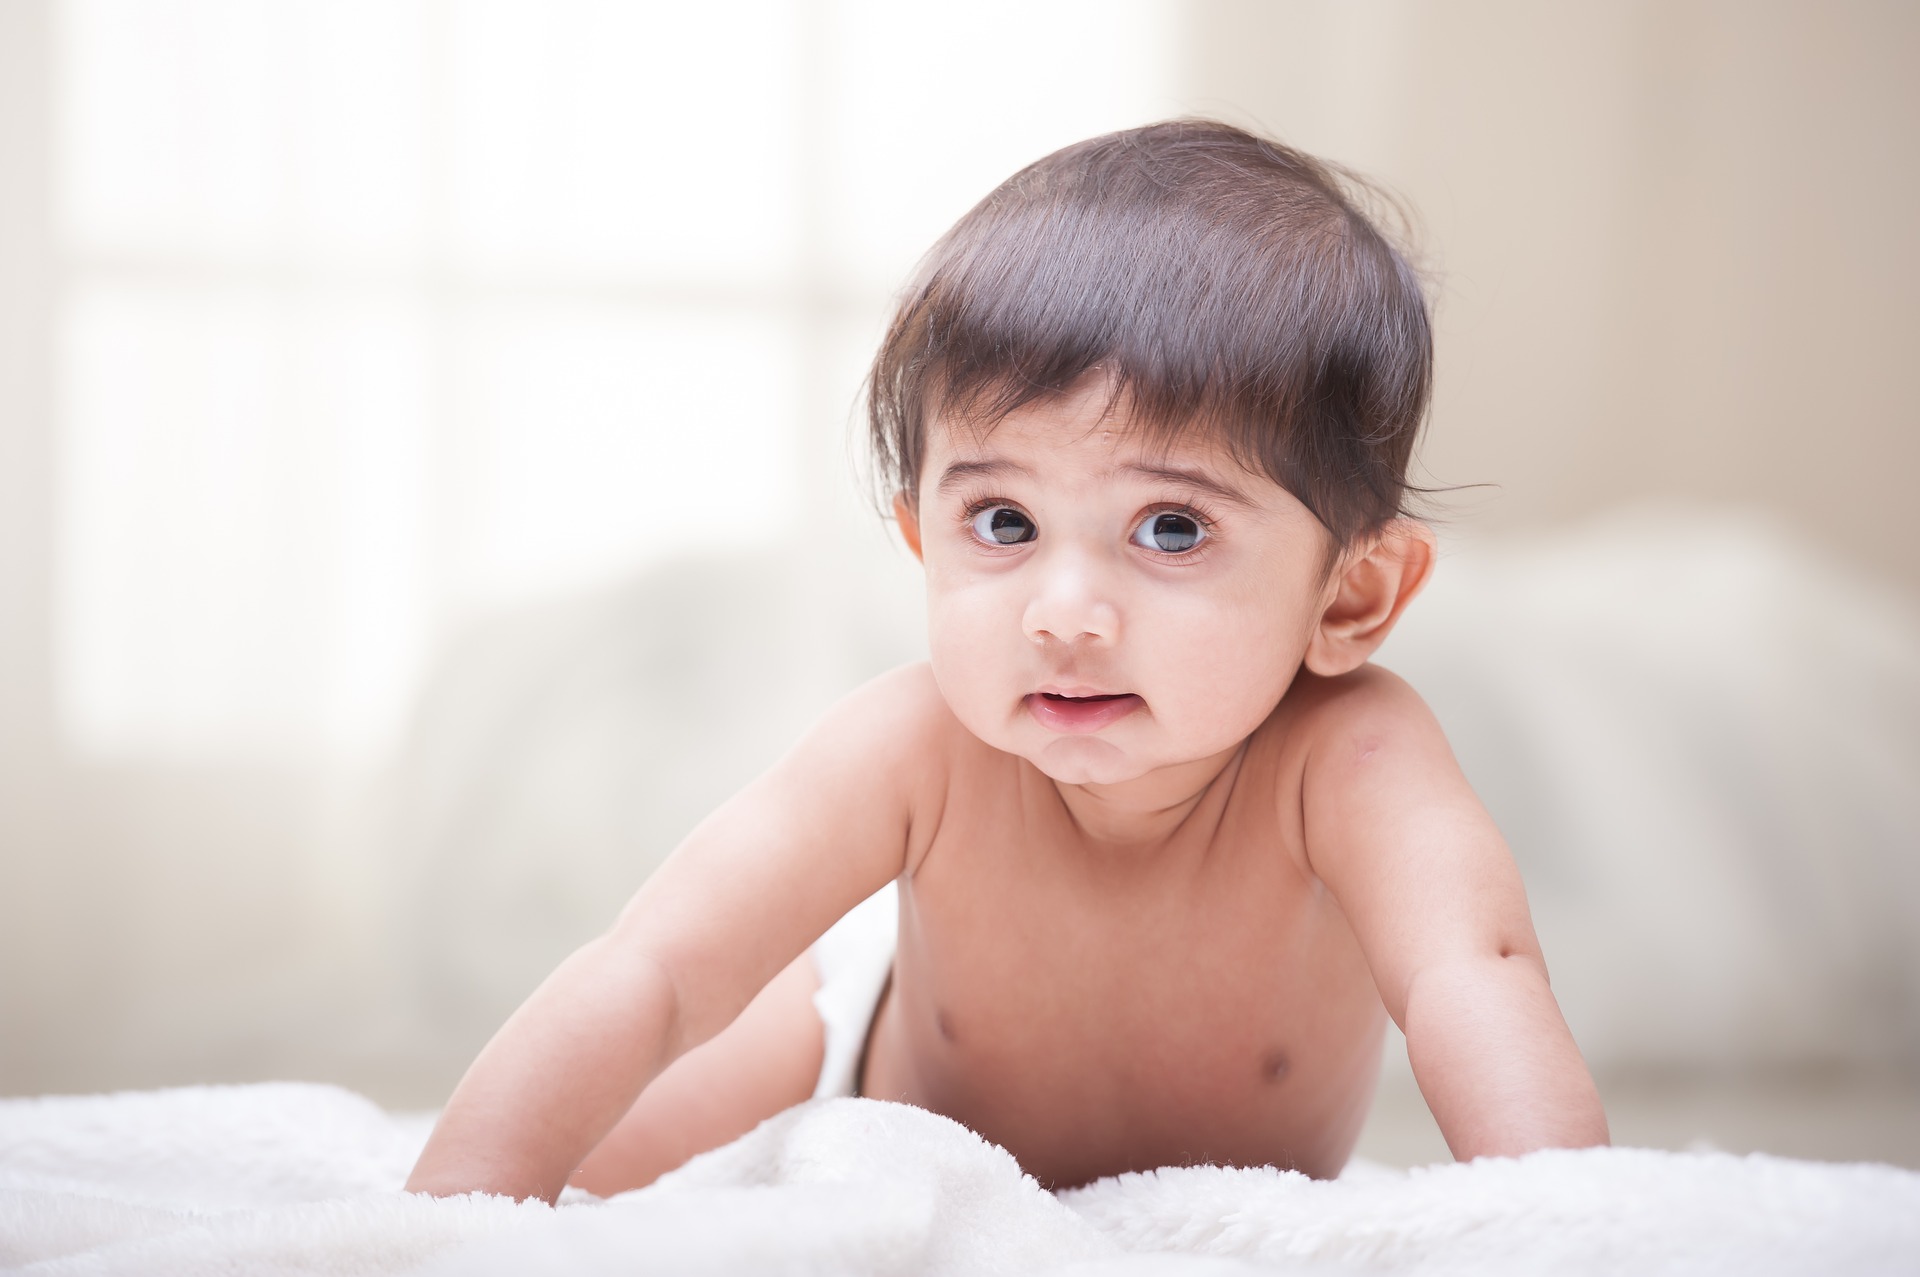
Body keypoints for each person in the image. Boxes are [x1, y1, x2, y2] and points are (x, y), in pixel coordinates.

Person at [405, 119, 1609, 1202]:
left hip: (1193, 1192)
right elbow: (657, 967)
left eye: (1172, 528)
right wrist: (453, 1205)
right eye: (1004, 523)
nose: (1064, 612)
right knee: (719, 1069)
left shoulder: (1351, 760)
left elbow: (1475, 977)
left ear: (1348, 594)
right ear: (923, 538)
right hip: (849, 1086)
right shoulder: (915, 743)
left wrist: (1569, 1224)